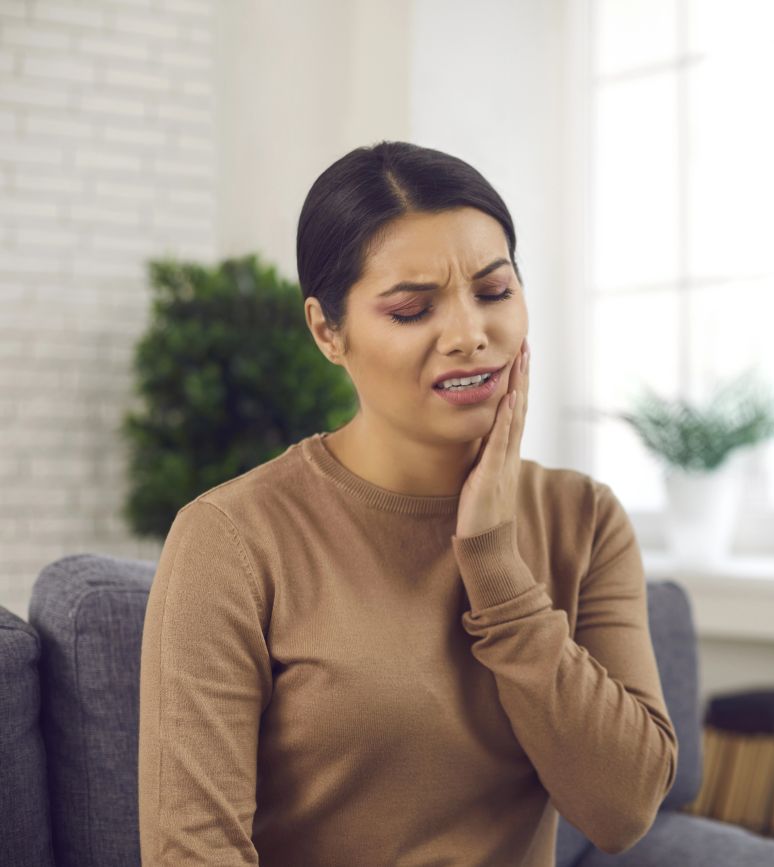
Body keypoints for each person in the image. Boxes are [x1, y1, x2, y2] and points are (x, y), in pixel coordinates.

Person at [137, 141, 678, 866]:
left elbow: (625, 808)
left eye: (494, 292)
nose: (470, 335)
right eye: (412, 309)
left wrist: (495, 565)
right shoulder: (231, 538)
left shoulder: (585, 518)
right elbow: (191, 851)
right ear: (328, 331)